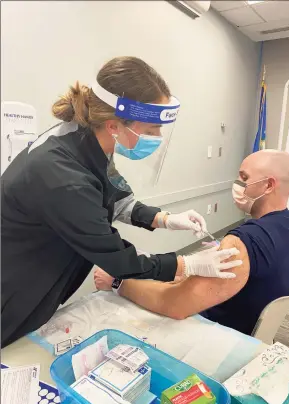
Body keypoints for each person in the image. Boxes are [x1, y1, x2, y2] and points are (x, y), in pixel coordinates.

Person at [1, 56, 241, 347]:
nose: (157, 138)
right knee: (14, 349)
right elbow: (117, 258)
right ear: (115, 125)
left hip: (46, 264)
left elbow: (116, 196)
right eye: (151, 131)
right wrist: (187, 265)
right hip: (17, 282)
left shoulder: (87, 139)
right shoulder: (64, 177)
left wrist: (163, 218)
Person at [94, 149, 289, 335]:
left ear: (268, 185)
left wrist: (118, 283)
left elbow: (175, 304)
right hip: (258, 324)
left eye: (244, 178)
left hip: (223, 333)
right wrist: (166, 221)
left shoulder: (242, 241)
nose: (237, 184)